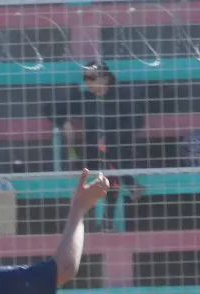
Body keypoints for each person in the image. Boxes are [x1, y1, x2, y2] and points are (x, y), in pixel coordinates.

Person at [51, 60, 144, 231]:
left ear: (105, 78)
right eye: (85, 77)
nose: (87, 82)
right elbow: (50, 108)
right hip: (94, 154)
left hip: (121, 149)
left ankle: (109, 219)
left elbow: (137, 121)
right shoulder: (85, 99)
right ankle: (131, 186)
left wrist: (110, 136)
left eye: (92, 77)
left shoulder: (121, 96)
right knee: (107, 165)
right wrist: (63, 122)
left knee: (110, 163)